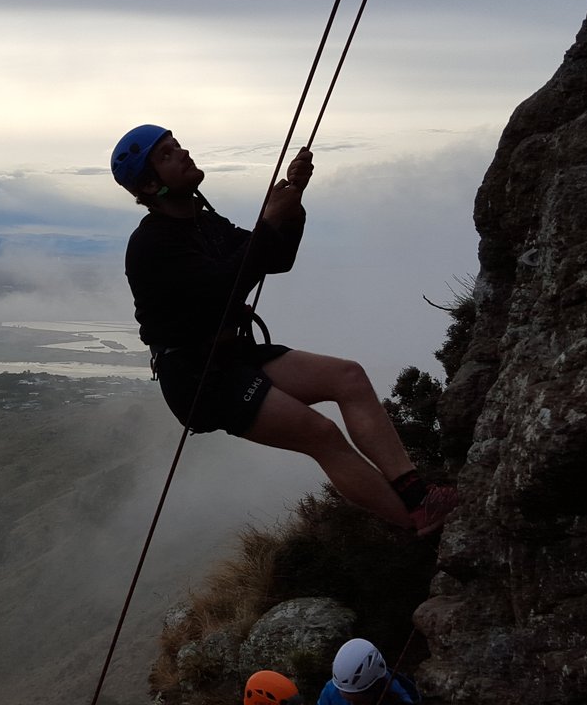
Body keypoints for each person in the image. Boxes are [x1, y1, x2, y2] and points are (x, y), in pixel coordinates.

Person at [110, 124, 458, 534]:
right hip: (196, 377)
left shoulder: (204, 222)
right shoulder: (152, 244)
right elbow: (224, 286)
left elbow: (274, 257)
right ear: (150, 184)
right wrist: (270, 219)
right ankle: (418, 529)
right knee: (321, 434)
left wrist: (291, 205)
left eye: (177, 145)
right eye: (167, 154)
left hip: (230, 356)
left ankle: (418, 496)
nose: (183, 153)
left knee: (348, 377)